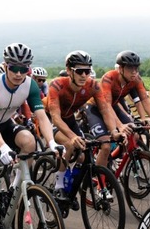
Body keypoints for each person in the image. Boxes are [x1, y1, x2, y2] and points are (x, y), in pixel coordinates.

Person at [0, 43, 64, 229]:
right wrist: (3, 148)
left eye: (24, 68)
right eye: (14, 67)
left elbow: (41, 116)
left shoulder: (30, 85)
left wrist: (52, 143)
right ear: (5, 66)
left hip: (5, 124)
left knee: (29, 141)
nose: (19, 73)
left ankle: (16, 184)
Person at [45, 50, 123, 211]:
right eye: (79, 71)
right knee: (70, 144)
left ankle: (71, 187)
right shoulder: (57, 85)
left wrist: (114, 131)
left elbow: (105, 110)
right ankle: (59, 183)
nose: (84, 75)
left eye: (87, 71)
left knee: (83, 155)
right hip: (51, 120)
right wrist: (72, 137)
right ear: (69, 71)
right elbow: (56, 117)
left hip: (70, 119)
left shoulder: (93, 85)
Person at [85, 50, 150, 170]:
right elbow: (106, 106)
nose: (134, 72)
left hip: (113, 106)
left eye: (136, 68)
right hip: (96, 108)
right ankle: (100, 182)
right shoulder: (109, 78)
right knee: (105, 146)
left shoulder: (136, 79)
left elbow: (145, 100)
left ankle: (113, 158)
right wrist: (120, 125)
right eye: (130, 68)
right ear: (120, 69)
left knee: (135, 135)